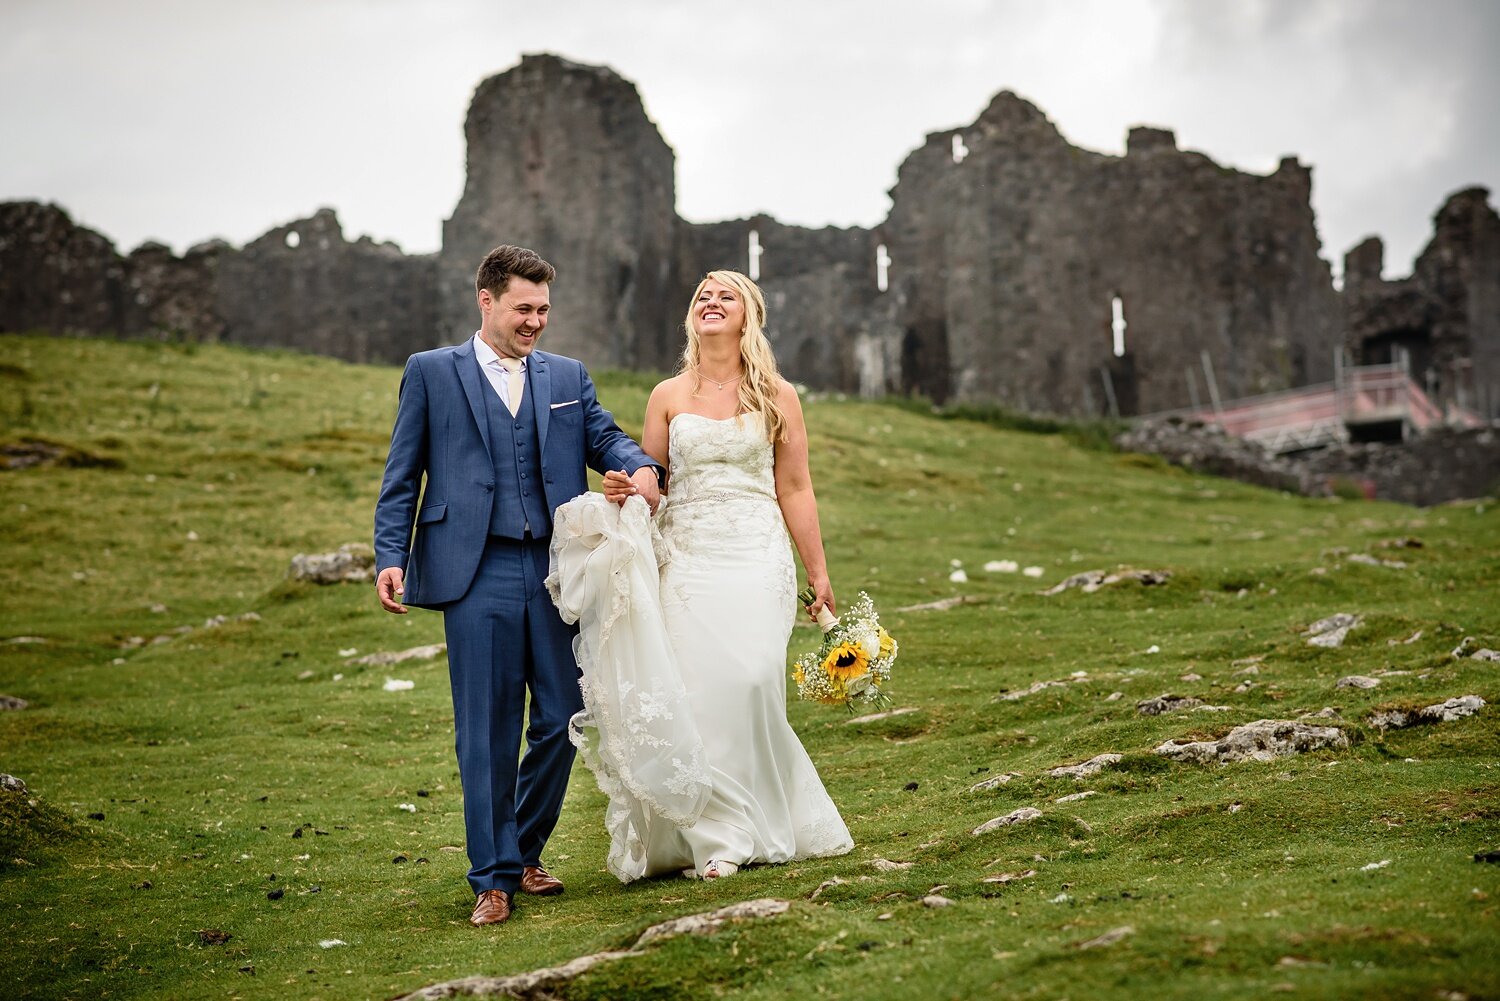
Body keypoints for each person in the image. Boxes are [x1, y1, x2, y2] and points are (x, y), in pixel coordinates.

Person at [373, 244, 662, 926]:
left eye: (543, 310)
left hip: (557, 570)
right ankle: (493, 878)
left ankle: (524, 849)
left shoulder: (566, 375)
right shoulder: (431, 373)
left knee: (564, 716)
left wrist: (639, 468)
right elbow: (402, 472)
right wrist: (391, 552)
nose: (535, 322)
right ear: (487, 301)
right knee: (485, 729)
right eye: (523, 309)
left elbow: (607, 438)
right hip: (473, 571)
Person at [590, 269, 853, 879]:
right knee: (699, 691)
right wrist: (626, 486)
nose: (711, 303)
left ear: (747, 316)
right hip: (687, 556)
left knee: (752, 679)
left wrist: (819, 572)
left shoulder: (777, 396)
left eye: (725, 296)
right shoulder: (667, 396)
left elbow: (795, 485)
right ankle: (717, 837)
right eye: (702, 297)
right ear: (692, 317)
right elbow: (654, 479)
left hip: (755, 552)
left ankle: (764, 815)